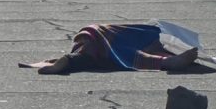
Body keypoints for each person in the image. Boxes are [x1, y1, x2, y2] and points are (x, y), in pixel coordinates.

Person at [35, 23, 198, 74]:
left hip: (97, 36)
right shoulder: (97, 50)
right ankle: (167, 62)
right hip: (97, 38)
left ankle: (167, 61)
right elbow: (70, 59)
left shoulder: (147, 34)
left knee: (117, 52)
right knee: (119, 52)